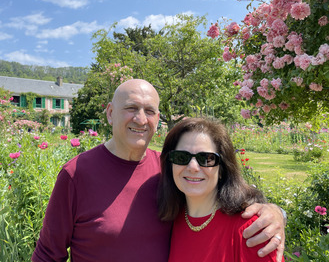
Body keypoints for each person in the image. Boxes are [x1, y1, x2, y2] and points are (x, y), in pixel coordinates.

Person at [32, 79, 285, 262]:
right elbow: (47, 254)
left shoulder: (170, 169)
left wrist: (275, 212)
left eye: (149, 111)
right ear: (110, 113)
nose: (140, 119)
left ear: (158, 119)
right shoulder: (77, 174)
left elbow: (220, 193)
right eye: (131, 108)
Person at [158, 117, 285, 261]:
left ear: (222, 169)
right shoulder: (172, 220)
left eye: (206, 158)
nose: (192, 167)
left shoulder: (251, 230)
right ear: (171, 165)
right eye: (181, 157)